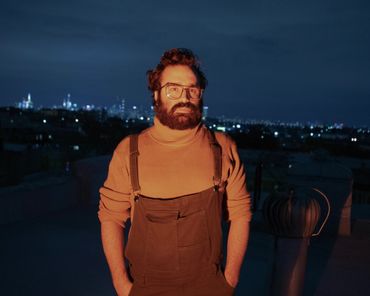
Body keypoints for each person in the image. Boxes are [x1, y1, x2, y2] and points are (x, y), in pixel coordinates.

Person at [98, 48, 252, 296]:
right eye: (173, 89)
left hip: (209, 287)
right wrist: (121, 284)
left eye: (192, 89)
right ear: (156, 94)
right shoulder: (128, 151)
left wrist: (229, 279)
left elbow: (241, 213)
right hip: (146, 287)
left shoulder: (222, 148)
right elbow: (110, 218)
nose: (185, 97)